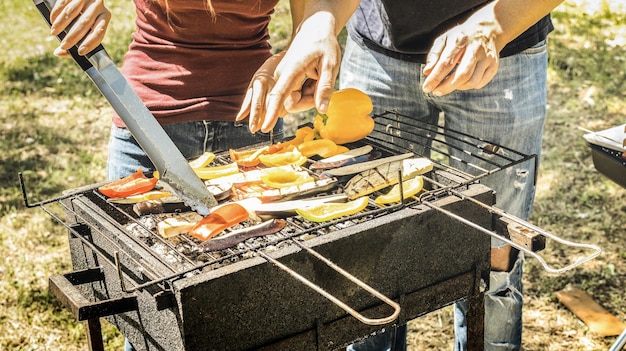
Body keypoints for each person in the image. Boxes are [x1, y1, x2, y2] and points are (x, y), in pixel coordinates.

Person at [250, 0, 565, 350]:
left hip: (504, 51)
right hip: (378, 55)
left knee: (495, 249)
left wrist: (497, 25)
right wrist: (320, 23)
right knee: (369, 247)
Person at [48, 0, 358, 350]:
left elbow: (309, 23)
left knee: (257, 311)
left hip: (252, 119)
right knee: (151, 320)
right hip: (147, 125)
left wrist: (314, 31)